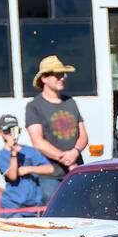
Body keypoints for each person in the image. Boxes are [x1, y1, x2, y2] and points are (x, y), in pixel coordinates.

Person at [25, 55, 87, 203]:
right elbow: (38, 142)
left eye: (63, 74)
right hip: (50, 176)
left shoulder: (70, 102)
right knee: (54, 219)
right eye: (57, 75)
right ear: (44, 78)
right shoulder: (34, 106)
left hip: (76, 170)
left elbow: (83, 135)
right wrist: (66, 160)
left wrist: (75, 152)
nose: (62, 78)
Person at [0, 114, 51, 215]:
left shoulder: (30, 151)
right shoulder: (1, 156)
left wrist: (29, 169)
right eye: (7, 131)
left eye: (14, 130)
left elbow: (49, 169)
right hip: (12, 207)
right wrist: (13, 153)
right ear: (0, 132)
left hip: (33, 206)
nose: (11, 135)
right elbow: (12, 176)